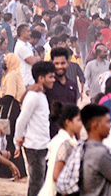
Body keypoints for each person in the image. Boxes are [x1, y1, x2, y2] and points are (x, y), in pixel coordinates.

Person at [18, 61, 56, 196]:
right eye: (50, 77)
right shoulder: (33, 96)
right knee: (36, 183)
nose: (53, 80)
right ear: (41, 78)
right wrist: (17, 142)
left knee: (43, 182)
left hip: (43, 145)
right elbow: (21, 120)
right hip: (34, 147)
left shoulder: (40, 95)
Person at [41, 104, 80, 196]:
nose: (81, 124)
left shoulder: (61, 139)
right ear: (68, 122)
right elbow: (56, 175)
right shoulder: (65, 144)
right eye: (78, 120)